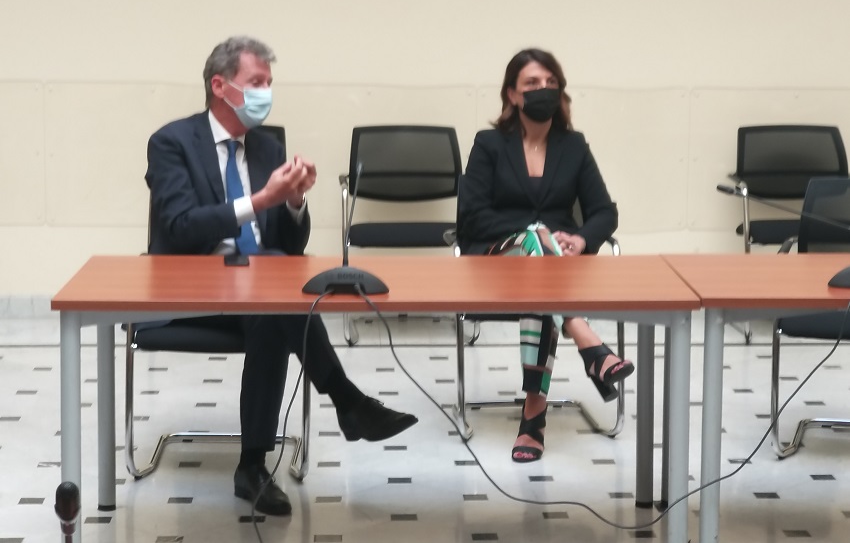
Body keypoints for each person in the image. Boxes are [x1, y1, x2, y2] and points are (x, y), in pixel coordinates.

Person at [145, 36, 418, 516]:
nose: (265, 93)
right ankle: (346, 403)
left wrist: (293, 201)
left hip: (259, 292)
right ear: (220, 86)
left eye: (269, 83)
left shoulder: (268, 148)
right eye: (256, 82)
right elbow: (180, 226)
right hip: (191, 290)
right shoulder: (172, 142)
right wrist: (261, 201)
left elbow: (290, 247)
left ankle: (253, 467)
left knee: (273, 307)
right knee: (276, 302)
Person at [457, 47, 634, 463]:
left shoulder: (573, 146)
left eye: (551, 83)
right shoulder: (489, 144)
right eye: (532, 83)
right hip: (495, 259)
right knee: (535, 243)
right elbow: (471, 216)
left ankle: (533, 413)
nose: (543, 89)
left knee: (540, 272)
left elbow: (604, 212)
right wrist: (536, 232)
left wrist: (581, 241)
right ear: (512, 94)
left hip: (555, 269)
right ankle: (585, 340)